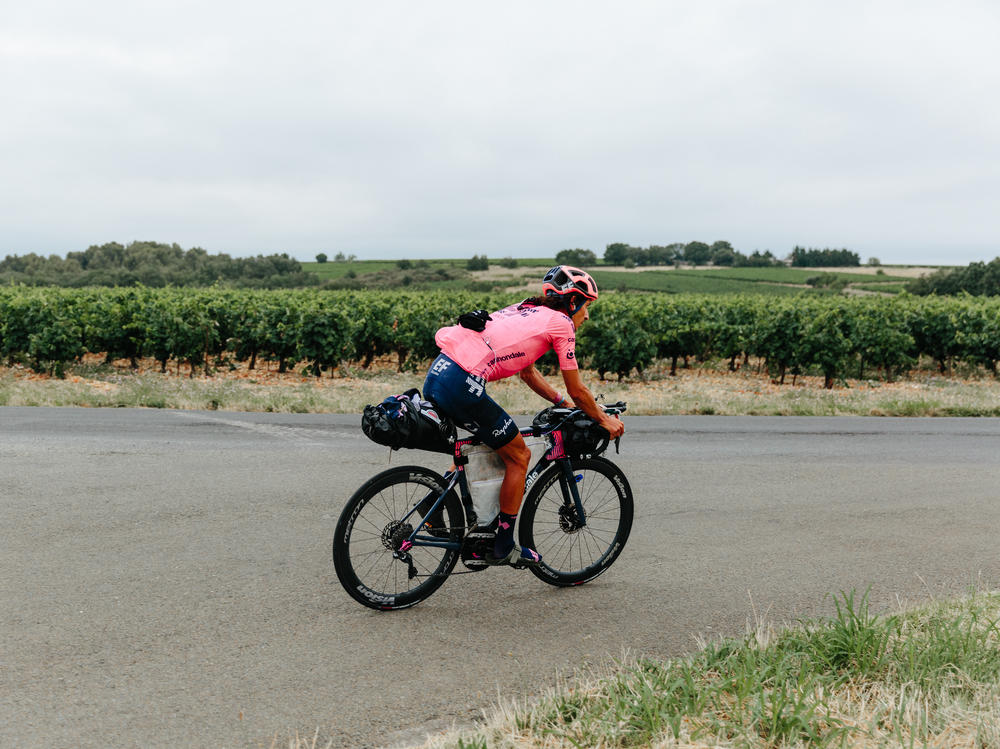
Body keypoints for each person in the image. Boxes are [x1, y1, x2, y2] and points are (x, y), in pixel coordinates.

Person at [423, 265, 625, 566]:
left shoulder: (524, 309)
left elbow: (528, 373)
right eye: (587, 307)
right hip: (462, 383)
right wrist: (604, 419)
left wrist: (561, 401)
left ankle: (432, 503)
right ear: (574, 302)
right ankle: (503, 545)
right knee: (518, 455)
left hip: (439, 374)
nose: (587, 316)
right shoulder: (561, 324)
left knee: (480, 446)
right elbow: (579, 389)